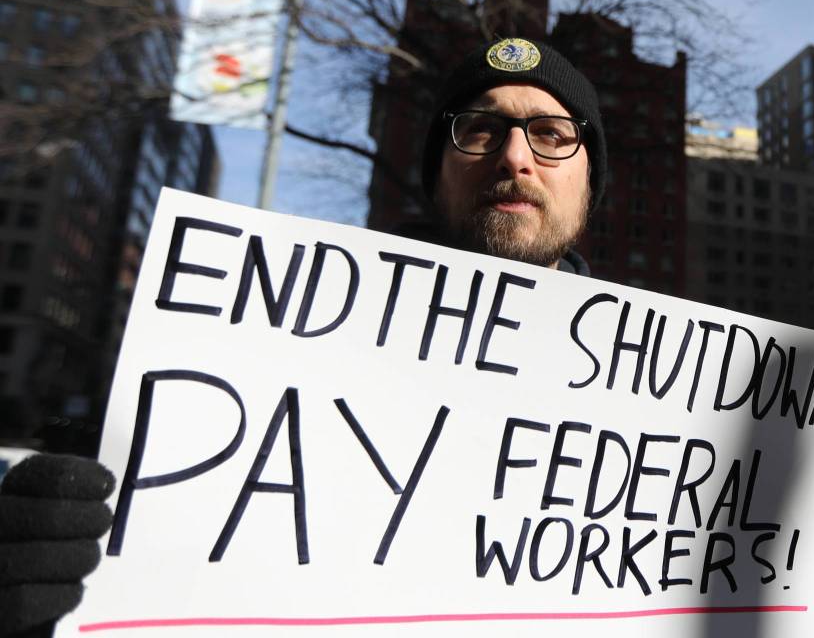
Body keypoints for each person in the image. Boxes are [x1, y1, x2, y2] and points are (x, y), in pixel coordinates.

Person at [0, 37, 608, 637]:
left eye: (552, 134)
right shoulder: (264, 359)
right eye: (480, 129)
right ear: (437, 174)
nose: (515, 157)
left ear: (589, 181)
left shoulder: (645, 402)